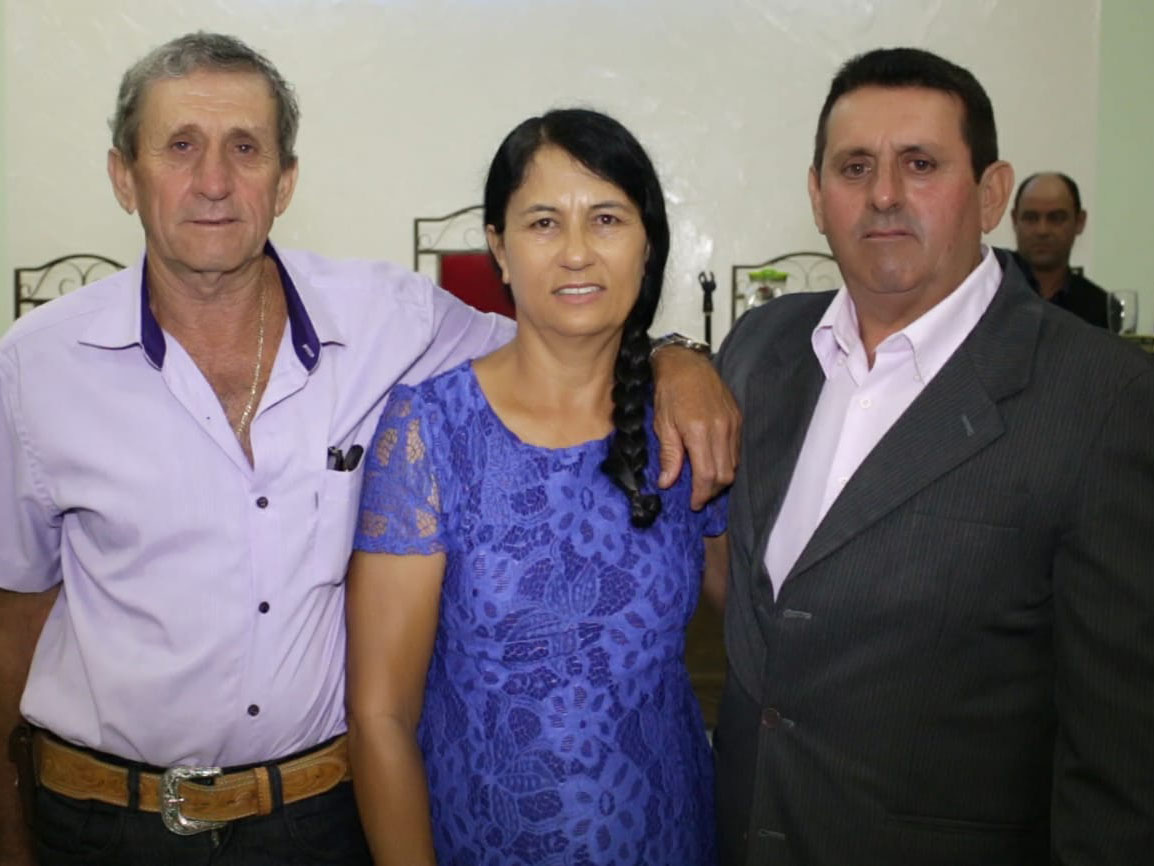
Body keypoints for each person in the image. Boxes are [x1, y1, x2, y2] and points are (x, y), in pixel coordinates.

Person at [0, 34, 738, 866]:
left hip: (312, 819)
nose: (213, 181)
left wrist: (677, 357)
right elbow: (14, 616)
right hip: (103, 822)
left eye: (245, 148)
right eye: (179, 147)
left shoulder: (390, 318)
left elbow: (564, 337)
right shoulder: (37, 368)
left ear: (285, 181)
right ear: (122, 176)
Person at [713, 47, 1154, 866]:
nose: (883, 193)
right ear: (816, 195)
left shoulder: (1103, 399)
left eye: (920, 164)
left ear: (990, 193)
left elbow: (1123, 758)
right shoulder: (761, 348)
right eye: (854, 167)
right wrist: (672, 352)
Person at [346, 108, 729, 866]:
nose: (577, 253)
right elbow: (380, 715)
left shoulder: (685, 426)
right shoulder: (431, 431)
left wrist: (685, 357)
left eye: (607, 219)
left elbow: (764, 634)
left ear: (648, 244)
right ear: (499, 246)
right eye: (544, 223)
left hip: (667, 835)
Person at [1010, 171, 1117, 329]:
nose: (1042, 230)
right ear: (1014, 220)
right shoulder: (988, 289)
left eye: (1056, 218)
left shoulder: (1102, 310)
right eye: (1031, 218)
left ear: (1079, 222)